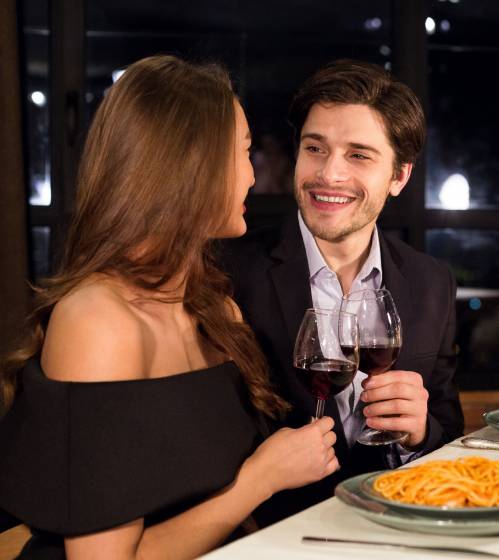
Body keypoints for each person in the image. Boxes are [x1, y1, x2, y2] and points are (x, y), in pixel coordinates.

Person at [0, 55, 338, 559]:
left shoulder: (216, 310)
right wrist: (260, 479)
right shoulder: (98, 322)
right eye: (244, 153)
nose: (252, 175)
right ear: (191, 165)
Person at [226, 59, 464, 520]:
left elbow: (449, 434)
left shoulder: (431, 281)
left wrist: (420, 435)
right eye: (315, 148)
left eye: (358, 155)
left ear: (399, 177)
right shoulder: (230, 274)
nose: (328, 174)